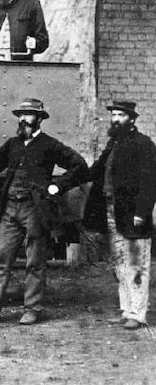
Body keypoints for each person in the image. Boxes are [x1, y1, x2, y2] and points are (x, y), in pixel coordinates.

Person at [0, 98, 87, 325]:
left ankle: (32, 309)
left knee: (34, 262)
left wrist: (58, 186)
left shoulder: (50, 145)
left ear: (39, 118)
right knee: (0, 260)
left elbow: (80, 165)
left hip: (35, 211)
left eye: (28, 114)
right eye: (20, 115)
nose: (22, 119)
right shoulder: (13, 144)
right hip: (10, 210)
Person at [83, 101, 156, 330]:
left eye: (121, 115)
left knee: (136, 264)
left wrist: (142, 213)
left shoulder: (143, 144)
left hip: (133, 216)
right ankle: (126, 310)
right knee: (120, 265)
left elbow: (150, 181)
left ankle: (138, 313)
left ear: (132, 119)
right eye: (113, 115)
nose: (115, 119)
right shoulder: (114, 143)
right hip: (111, 213)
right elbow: (95, 171)